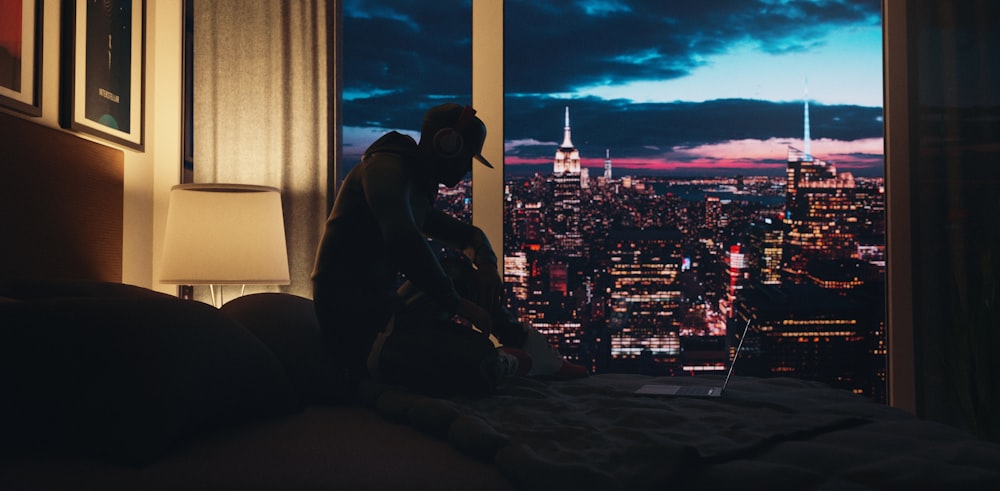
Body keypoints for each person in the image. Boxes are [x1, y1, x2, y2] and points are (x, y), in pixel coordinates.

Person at [312, 103, 586, 397]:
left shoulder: (409, 180)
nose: (468, 169)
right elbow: (402, 239)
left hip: (382, 311)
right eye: (467, 157)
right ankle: (498, 362)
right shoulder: (385, 171)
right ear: (446, 144)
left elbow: (466, 235)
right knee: (473, 363)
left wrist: (487, 266)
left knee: (459, 272)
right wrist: (456, 303)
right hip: (356, 328)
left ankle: (529, 349)